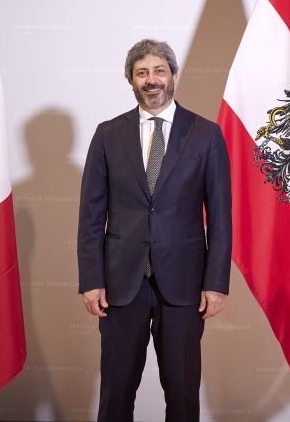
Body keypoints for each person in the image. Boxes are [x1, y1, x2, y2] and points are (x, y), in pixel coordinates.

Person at [77, 38, 232, 421]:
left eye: (159, 71)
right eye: (142, 72)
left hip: (184, 284)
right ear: (130, 80)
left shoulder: (206, 135)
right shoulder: (107, 134)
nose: (152, 80)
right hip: (119, 285)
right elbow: (91, 215)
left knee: (182, 394)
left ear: (174, 76)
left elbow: (221, 215)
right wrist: (91, 279)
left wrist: (216, 282)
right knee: (115, 392)